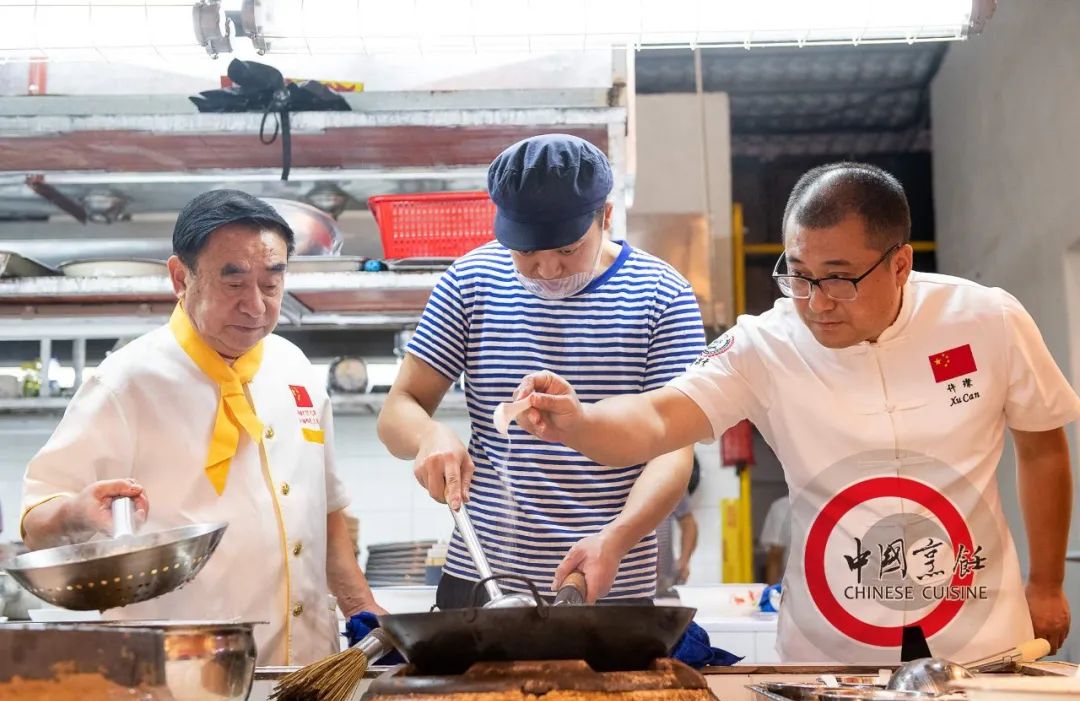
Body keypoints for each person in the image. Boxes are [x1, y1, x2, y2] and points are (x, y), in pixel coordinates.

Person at [511, 162, 1080, 663]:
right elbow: (659, 421)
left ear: (900, 263)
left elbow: (1042, 446)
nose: (817, 301)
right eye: (800, 275)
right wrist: (581, 423)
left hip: (980, 638)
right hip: (831, 652)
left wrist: (1048, 582)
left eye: (839, 277)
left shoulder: (986, 319)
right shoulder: (765, 344)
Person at [20, 190, 384, 665]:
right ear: (180, 277)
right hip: (179, 674)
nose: (255, 306)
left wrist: (360, 605)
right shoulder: (125, 382)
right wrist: (76, 515)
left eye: (272, 284)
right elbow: (35, 523)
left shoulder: (296, 370)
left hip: (305, 669)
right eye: (233, 283)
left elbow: (327, 511)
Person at [377, 134, 705, 606]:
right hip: (482, 582)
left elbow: (673, 450)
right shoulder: (471, 280)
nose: (547, 270)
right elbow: (398, 411)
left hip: (608, 583)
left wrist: (614, 542)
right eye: (526, 253)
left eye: (568, 250)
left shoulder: (661, 294)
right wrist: (429, 436)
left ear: (605, 217)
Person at [656, 455, 700, 595]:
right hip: (617, 582)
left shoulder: (668, 476)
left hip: (663, 582)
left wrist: (683, 561)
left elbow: (688, 522)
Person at [760, 495, 791, 586]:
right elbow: (775, 556)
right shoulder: (781, 507)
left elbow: (775, 557)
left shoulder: (781, 507)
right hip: (790, 589)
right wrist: (772, 594)